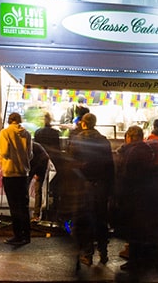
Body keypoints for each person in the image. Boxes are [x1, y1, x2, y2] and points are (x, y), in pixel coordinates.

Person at [114, 126, 158, 282]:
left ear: (129, 137)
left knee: (147, 239)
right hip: (144, 202)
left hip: (138, 202)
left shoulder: (134, 152)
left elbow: (128, 177)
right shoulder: (144, 150)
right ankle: (139, 265)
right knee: (143, 237)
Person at [70, 113, 115, 266]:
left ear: (83, 124)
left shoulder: (76, 140)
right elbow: (110, 166)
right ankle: (103, 251)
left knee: (85, 220)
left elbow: (72, 165)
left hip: (83, 186)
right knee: (101, 218)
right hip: (101, 186)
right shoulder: (104, 141)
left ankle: (87, 253)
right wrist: (110, 187)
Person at [0, 112, 34, 246]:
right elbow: (30, 155)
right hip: (23, 174)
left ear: (9, 120)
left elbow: (4, 152)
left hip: (10, 173)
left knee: (14, 206)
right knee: (24, 206)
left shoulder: (5, 132)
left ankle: (17, 235)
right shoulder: (27, 134)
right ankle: (27, 235)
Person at [31, 114, 61, 220]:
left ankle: (36, 213)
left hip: (39, 163)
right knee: (53, 187)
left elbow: (34, 149)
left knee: (38, 189)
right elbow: (58, 149)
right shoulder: (55, 133)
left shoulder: (38, 132)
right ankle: (52, 211)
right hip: (53, 162)